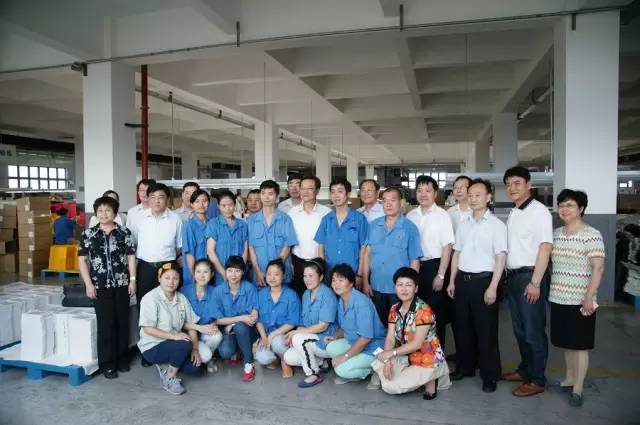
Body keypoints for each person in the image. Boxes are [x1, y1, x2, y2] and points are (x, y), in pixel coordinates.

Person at [447, 179, 507, 393]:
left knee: (486, 331)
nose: (473, 199)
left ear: (489, 197)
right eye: (470, 195)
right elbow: (457, 253)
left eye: (478, 195)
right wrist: (452, 280)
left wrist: (493, 286)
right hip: (463, 281)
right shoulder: (464, 224)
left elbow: (501, 257)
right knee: (463, 328)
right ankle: (466, 367)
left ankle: (490, 375)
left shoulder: (497, 225)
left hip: (484, 282)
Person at [549, 189, 605, 407]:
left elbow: (598, 267)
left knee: (580, 344)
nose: (564, 209)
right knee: (567, 342)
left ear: (581, 209)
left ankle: (578, 387)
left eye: (570, 205)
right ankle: (569, 378)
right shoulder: (556, 233)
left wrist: (589, 297)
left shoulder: (592, 234)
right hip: (558, 296)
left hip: (581, 299)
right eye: (561, 205)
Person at [502, 166, 553, 397]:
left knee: (533, 331)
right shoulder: (515, 212)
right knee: (520, 330)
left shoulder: (539, 212)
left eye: (517, 183)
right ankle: (526, 370)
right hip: (513, 277)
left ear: (529, 185)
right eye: (508, 184)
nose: (512, 188)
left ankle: (537, 380)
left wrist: (535, 282)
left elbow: (545, 247)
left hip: (529, 278)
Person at [79, 196, 136, 379]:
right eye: (100, 211)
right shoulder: (88, 234)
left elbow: (130, 257)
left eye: (108, 210)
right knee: (106, 325)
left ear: (115, 213)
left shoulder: (124, 232)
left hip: (122, 284)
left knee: (122, 322)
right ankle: (107, 364)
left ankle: (123, 360)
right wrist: (88, 284)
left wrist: (132, 280)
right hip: (100, 285)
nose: (104, 214)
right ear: (96, 213)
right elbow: (82, 261)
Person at [371, 267, 451, 398]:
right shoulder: (394, 309)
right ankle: (410, 375)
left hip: (425, 359)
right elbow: (390, 338)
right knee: (379, 361)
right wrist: (387, 360)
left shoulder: (423, 310)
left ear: (416, 288)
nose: (404, 289)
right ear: (395, 287)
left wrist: (391, 353)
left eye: (408, 285)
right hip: (405, 355)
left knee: (390, 387)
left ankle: (432, 378)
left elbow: (417, 344)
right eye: (400, 285)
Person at [138, 263, 213, 395]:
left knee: (195, 367)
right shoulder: (150, 298)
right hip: (153, 346)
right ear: (159, 278)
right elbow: (148, 329)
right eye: (167, 278)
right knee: (184, 344)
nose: (171, 282)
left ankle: (166, 364)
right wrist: (174, 336)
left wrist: (195, 349)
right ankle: (169, 378)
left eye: (175, 278)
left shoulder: (181, 298)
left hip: (173, 344)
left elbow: (190, 324)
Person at [406, 175, 455, 350]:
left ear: (435, 194)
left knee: (435, 314)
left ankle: (436, 355)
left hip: (434, 267)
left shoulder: (442, 216)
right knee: (416, 313)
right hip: (414, 267)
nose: (423, 194)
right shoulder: (411, 215)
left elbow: (447, 247)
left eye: (428, 190)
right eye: (419, 190)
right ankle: (418, 352)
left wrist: (440, 275)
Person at [363, 187, 422, 323]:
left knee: (399, 327)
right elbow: (367, 255)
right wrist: (366, 281)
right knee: (379, 326)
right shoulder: (373, 226)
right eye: (385, 201)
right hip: (376, 286)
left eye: (393, 200)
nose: (388, 204)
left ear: (401, 203)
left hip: (399, 290)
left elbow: (414, 261)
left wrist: (409, 288)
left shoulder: (410, 228)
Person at [326, 264, 386, 387]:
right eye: (334, 280)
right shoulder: (342, 300)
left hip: (372, 348)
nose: (336, 284)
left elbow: (365, 338)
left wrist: (344, 356)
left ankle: (373, 369)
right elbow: (345, 327)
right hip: (354, 342)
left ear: (351, 283)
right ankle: (356, 362)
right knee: (330, 347)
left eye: (341, 280)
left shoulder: (362, 303)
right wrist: (335, 336)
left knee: (341, 369)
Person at [283, 258, 337, 388]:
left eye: (311, 276)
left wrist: (296, 334)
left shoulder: (328, 295)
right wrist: (295, 333)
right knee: (288, 357)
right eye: (305, 276)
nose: (307, 279)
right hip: (312, 339)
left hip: (327, 341)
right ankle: (322, 362)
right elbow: (304, 324)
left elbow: (323, 326)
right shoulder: (306, 294)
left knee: (298, 338)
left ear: (321, 277)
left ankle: (313, 374)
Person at [212, 256, 260, 382]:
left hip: (248, 331)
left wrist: (234, 323)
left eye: (237, 271)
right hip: (228, 331)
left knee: (240, 327)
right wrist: (241, 318)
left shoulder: (249, 288)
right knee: (225, 352)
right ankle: (237, 351)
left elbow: (253, 316)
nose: (233, 275)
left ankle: (249, 364)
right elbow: (217, 320)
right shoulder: (218, 291)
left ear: (243, 272)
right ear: (225, 271)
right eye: (230, 270)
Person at [135, 182, 183, 303]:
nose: (157, 201)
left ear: (167, 199)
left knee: (168, 302)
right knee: (144, 301)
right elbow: (134, 243)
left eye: (161, 197)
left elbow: (179, 246)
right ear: (148, 199)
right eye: (153, 197)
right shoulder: (139, 218)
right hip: (145, 267)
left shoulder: (175, 219)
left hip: (168, 267)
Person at [315, 178, 368, 283]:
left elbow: (364, 249)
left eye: (340, 191)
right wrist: (323, 270)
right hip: (330, 275)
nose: (336, 195)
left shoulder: (359, 219)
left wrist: (360, 274)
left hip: (352, 275)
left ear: (348, 194)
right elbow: (321, 247)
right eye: (333, 192)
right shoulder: (326, 220)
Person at [255, 259, 301, 378]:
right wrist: (264, 337)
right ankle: (275, 359)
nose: (272, 277)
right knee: (262, 357)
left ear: (283, 276)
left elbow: (292, 322)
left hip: (283, 335)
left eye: (276, 274)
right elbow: (258, 320)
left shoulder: (291, 295)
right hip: (266, 334)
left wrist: (273, 335)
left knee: (277, 342)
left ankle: (285, 361)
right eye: (269, 274)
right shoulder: (260, 295)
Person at [247, 180, 298, 287]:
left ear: (277, 197)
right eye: (263, 193)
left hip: (281, 272)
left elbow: (287, 246)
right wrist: (257, 271)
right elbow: (251, 248)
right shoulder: (251, 220)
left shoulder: (285, 219)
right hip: (260, 272)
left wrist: (276, 269)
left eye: (270, 194)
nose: (266, 197)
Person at [288, 176, 331, 298]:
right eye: (302, 188)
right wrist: (290, 262)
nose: (305, 192)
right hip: (297, 263)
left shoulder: (327, 213)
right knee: (298, 296)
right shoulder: (292, 213)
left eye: (310, 189)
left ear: (317, 191)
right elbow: (288, 240)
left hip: (318, 263)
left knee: (319, 297)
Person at [179, 259, 223, 373]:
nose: (202, 275)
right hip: (187, 333)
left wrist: (214, 324)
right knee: (205, 356)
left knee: (217, 336)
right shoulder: (183, 291)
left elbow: (216, 316)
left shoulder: (215, 292)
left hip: (204, 331)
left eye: (205, 272)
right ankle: (201, 357)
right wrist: (198, 328)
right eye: (198, 272)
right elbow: (178, 322)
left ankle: (207, 358)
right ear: (193, 274)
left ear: (212, 274)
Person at [206, 190, 249, 286]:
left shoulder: (243, 225)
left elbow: (245, 251)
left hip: (239, 274)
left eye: (230, 205)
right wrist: (223, 273)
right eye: (223, 205)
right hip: (220, 274)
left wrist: (239, 271)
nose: (227, 209)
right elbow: (210, 251)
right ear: (218, 206)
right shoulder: (213, 224)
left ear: (235, 204)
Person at [181, 189, 211, 288]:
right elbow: (189, 254)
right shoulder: (189, 225)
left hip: (210, 271)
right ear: (192, 204)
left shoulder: (212, 223)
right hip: (194, 272)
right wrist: (194, 274)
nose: (201, 204)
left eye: (204, 201)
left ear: (209, 203)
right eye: (197, 201)